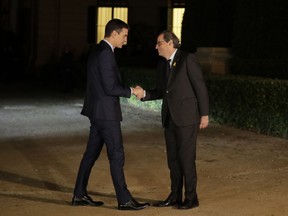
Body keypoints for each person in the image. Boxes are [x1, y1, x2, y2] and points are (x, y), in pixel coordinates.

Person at [72, 19, 150, 211]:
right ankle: (124, 200)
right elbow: (110, 87)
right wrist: (132, 91)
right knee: (116, 155)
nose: (126, 40)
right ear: (114, 34)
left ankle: (79, 194)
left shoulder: (97, 50)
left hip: (96, 112)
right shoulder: (106, 54)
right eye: (124, 36)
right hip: (106, 114)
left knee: (90, 154)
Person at [136, 30, 209, 210]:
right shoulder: (162, 65)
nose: (156, 47)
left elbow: (200, 87)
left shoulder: (187, 59)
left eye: (159, 43)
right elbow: (162, 91)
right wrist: (144, 94)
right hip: (169, 119)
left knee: (186, 159)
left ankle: (191, 198)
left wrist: (204, 114)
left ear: (170, 43)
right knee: (173, 161)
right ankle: (175, 195)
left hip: (187, 118)